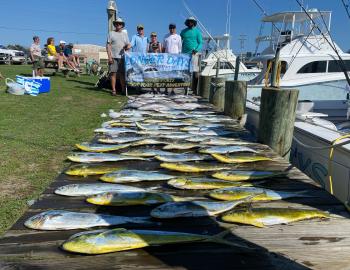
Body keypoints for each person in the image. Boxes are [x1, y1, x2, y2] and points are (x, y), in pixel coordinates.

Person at [107, 18, 131, 96]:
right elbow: (108, 45)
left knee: (122, 74)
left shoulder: (125, 34)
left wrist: (127, 47)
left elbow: (129, 44)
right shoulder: (111, 33)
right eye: (117, 23)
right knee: (113, 73)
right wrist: (109, 57)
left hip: (122, 57)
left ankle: (123, 90)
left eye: (120, 24)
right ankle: (114, 90)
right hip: (113, 57)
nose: (118, 25)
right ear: (115, 25)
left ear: (122, 26)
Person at [180, 17, 203, 94]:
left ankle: (194, 90)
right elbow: (179, 41)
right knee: (185, 72)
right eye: (189, 21)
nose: (190, 23)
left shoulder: (197, 32)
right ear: (187, 22)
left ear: (194, 23)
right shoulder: (183, 32)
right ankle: (185, 88)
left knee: (195, 72)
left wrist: (196, 49)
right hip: (184, 55)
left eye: (191, 21)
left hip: (194, 54)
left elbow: (200, 43)